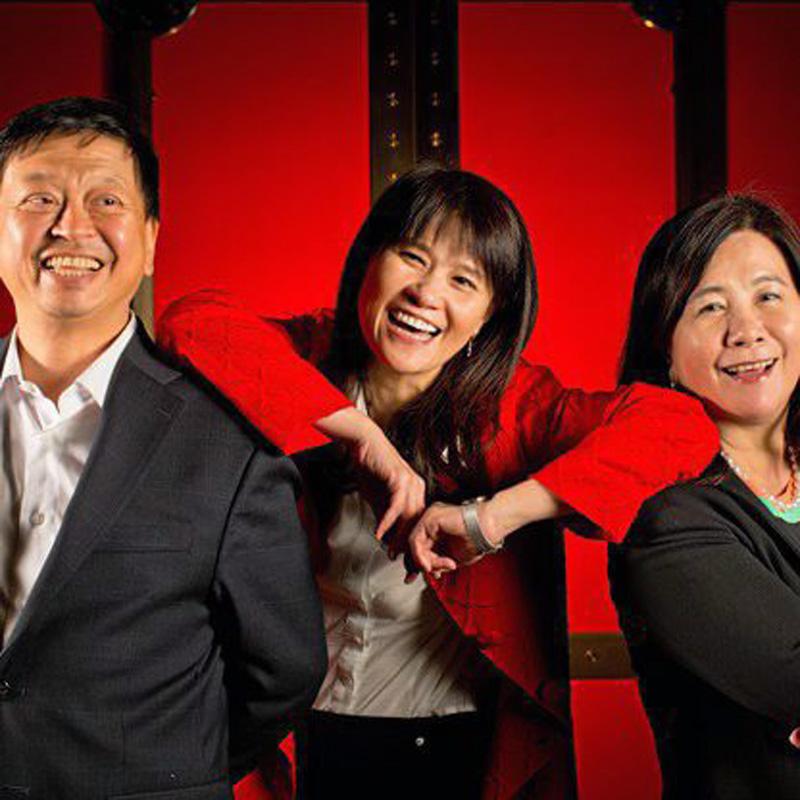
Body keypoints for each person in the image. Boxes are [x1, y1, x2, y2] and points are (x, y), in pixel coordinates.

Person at [159, 166, 718, 799]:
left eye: (463, 280)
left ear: (489, 316)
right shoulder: (309, 358)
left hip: (453, 748)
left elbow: (680, 427)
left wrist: (491, 519)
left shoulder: (521, 407)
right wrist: (361, 436)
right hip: (297, 741)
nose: (426, 294)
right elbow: (190, 321)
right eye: (412, 257)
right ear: (369, 260)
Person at [0, 97, 326, 800]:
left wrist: (173, 768)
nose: (70, 226)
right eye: (39, 198)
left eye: (105, 200)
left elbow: (285, 672)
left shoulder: (231, 443)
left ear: (149, 241)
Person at [611, 195, 800, 799]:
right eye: (710, 306)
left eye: (768, 296)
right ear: (665, 347)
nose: (746, 331)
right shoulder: (666, 517)